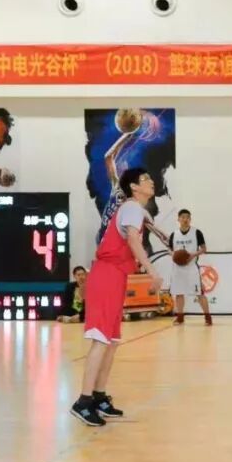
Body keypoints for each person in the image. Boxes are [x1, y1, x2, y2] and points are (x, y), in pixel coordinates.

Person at [71, 167, 162, 427]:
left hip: (116, 275)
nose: (151, 181)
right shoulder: (131, 207)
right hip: (106, 275)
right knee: (101, 341)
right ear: (133, 186)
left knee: (111, 342)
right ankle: (83, 401)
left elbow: (137, 231)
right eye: (145, 179)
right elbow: (133, 240)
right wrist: (152, 270)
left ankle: (99, 397)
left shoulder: (136, 210)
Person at [169, 209, 212, 326]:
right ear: (178, 219)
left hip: (191, 268)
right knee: (179, 293)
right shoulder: (174, 234)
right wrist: (174, 255)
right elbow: (170, 249)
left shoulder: (196, 232)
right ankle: (180, 317)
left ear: (190, 219)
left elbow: (204, 249)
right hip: (178, 268)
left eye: (187, 217)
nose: (185, 219)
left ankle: (208, 317)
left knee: (199, 293)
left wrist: (192, 255)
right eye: (183, 217)